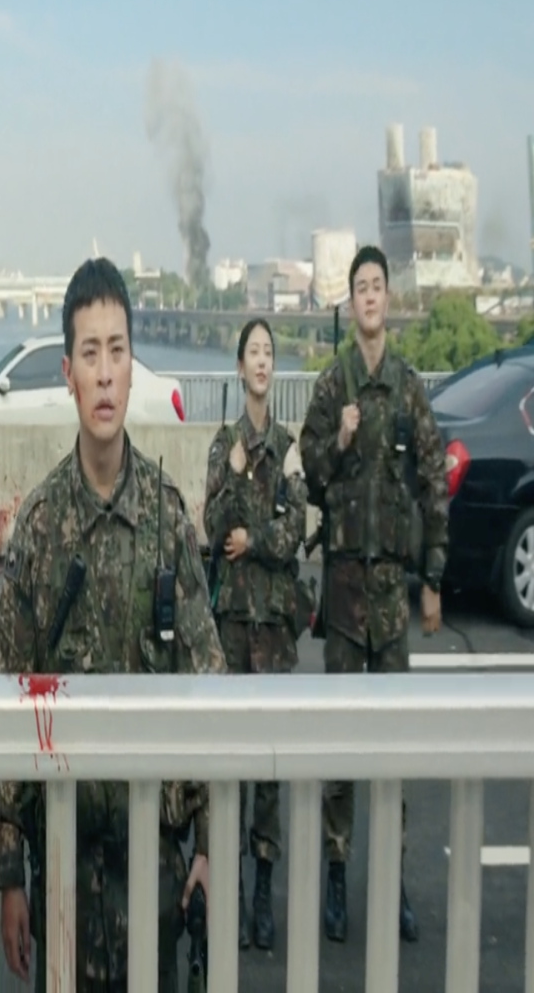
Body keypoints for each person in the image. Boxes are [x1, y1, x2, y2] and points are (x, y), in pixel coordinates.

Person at [0, 257, 226, 991]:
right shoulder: (40, 528)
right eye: (89, 354)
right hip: (64, 872)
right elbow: (8, 706)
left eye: (116, 352)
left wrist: (209, 843)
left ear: (132, 369)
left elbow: (208, 685)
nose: (103, 374)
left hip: (154, 875)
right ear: (67, 373)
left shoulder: (165, 519)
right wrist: (10, 877)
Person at [299, 244, 448, 945]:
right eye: (358, 285)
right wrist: (340, 438)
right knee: (340, 742)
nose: (367, 295)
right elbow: (310, 474)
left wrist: (433, 579)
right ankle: (336, 872)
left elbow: (433, 481)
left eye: (376, 285)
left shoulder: (409, 387)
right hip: (343, 594)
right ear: (351, 300)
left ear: (388, 299)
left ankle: (392, 878)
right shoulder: (334, 386)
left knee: (392, 744)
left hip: (390, 595)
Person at [202, 317, 308, 952]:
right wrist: (237, 475)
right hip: (232, 629)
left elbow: (295, 531)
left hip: (275, 630)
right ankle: (232, 889)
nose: (262, 361)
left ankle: (263, 890)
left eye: (269, 352)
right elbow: (211, 525)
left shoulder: (289, 447)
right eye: (254, 352)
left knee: (269, 766)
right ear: (240, 368)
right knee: (232, 763)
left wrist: (255, 540)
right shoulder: (225, 445)